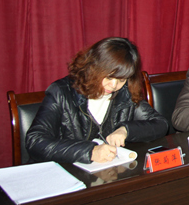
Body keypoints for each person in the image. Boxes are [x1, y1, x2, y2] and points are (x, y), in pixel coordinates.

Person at [26, 37, 169, 164]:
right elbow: (35, 141)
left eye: (121, 80)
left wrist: (126, 130)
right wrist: (90, 152)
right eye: (109, 77)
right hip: (66, 171)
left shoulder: (125, 92)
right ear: (94, 67)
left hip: (107, 173)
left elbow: (160, 124)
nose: (114, 86)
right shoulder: (62, 92)